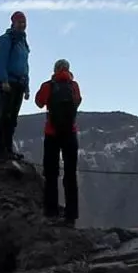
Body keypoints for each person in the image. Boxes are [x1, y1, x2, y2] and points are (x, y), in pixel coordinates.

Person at [33, 57, 82, 224]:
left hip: (51, 133)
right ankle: (71, 215)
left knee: (51, 174)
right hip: (70, 133)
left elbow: (39, 102)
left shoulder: (48, 86)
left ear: (55, 70)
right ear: (68, 69)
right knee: (70, 175)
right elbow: (78, 101)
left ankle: (51, 212)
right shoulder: (73, 86)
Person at [0, 11, 30, 163]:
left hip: (19, 83)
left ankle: (9, 149)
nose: (22, 25)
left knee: (12, 118)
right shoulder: (6, 40)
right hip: (8, 83)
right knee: (4, 116)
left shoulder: (23, 42)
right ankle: (1, 151)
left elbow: (25, 65)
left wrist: (26, 86)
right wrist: (3, 80)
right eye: (19, 22)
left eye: (24, 22)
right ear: (13, 23)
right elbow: (1, 61)